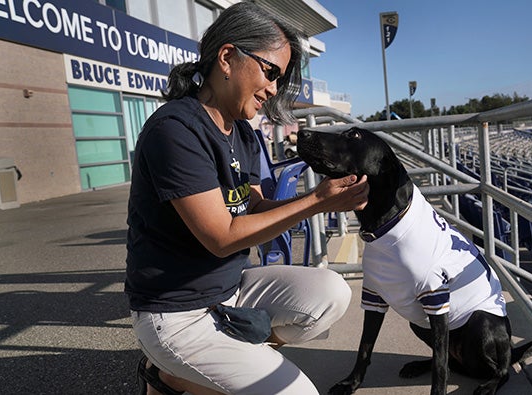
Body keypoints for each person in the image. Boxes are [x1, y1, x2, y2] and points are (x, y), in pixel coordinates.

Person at [125, 3, 369, 395]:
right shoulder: (175, 130)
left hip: (229, 291)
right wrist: (317, 202)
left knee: (332, 293)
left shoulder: (242, 131)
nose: (273, 88)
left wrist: (324, 199)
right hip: (174, 312)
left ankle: (185, 373)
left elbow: (254, 208)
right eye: (270, 72)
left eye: (280, 78)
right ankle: (172, 372)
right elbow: (221, 236)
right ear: (227, 57)